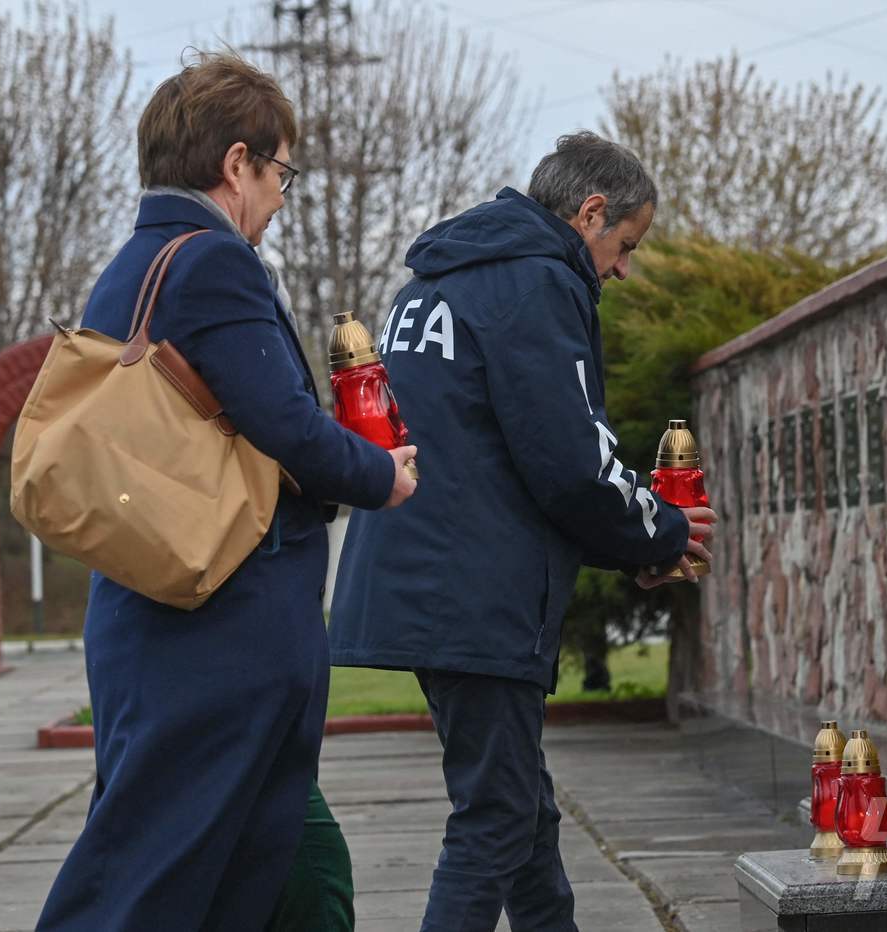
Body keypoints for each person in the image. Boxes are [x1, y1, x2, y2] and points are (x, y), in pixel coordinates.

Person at [35, 52, 416, 931]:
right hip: (216, 634)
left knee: (259, 868)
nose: (283, 194)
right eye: (281, 170)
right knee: (148, 885)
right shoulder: (212, 262)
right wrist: (377, 476)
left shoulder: (136, 264)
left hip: (165, 621)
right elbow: (282, 423)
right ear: (236, 163)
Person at [328, 131, 716, 931]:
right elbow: (570, 458)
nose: (622, 268)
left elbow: (493, 453)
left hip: (425, 579)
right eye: (625, 245)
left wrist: (633, 542)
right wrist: (662, 534)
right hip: (478, 594)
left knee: (520, 808)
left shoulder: (433, 283)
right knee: (498, 817)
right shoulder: (538, 282)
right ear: (591, 211)